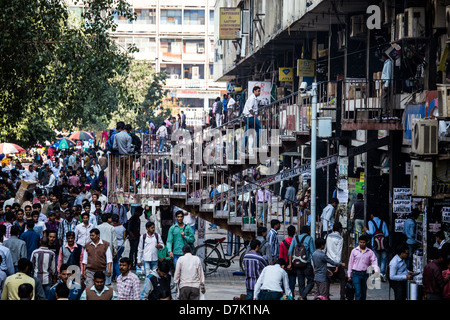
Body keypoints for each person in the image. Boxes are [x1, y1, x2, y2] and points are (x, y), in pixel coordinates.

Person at [347, 234, 379, 300]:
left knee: (363, 292)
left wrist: (376, 271)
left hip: (365, 274)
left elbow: (374, 261)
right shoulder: (354, 251)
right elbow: (350, 263)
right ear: (359, 242)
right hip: (356, 274)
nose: (362, 244)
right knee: (358, 292)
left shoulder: (370, 252)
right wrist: (349, 275)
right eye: (361, 242)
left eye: (363, 242)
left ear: (366, 243)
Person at [287, 225, 315, 300]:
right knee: (311, 281)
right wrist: (315, 265)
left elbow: (289, 252)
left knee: (301, 283)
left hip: (297, 264)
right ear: (309, 231)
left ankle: (303, 297)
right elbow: (313, 253)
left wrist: (290, 264)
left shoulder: (295, 238)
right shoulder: (309, 238)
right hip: (306, 263)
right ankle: (303, 296)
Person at [324, 222, 346, 300]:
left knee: (327, 281)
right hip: (336, 263)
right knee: (343, 279)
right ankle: (342, 297)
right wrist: (337, 264)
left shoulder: (327, 236)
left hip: (328, 262)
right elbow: (338, 252)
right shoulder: (340, 238)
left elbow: (325, 249)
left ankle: (326, 296)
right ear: (340, 229)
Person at [364, 212, 389, 281]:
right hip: (383, 244)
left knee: (376, 259)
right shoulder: (383, 222)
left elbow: (371, 232)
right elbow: (386, 234)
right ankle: (382, 273)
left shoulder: (370, 222)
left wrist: (366, 230)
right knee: (383, 259)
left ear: (372, 214)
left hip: (375, 244)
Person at [96, 213, 118, 283]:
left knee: (100, 263)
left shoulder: (97, 227)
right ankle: (107, 281)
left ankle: (100, 279)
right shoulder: (111, 228)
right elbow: (114, 240)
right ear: (108, 219)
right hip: (109, 248)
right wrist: (115, 250)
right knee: (109, 263)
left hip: (99, 247)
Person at [112, 214, 127, 282]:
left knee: (115, 261)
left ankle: (119, 276)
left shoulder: (112, 227)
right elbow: (124, 237)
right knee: (116, 260)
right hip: (122, 245)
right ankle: (113, 276)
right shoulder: (122, 227)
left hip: (115, 246)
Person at [380, 51, 393, 117]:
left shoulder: (388, 63)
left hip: (386, 82)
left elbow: (388, 74)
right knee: (383, 98)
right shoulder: (386, 63)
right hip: (384, 82)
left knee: (384, 98)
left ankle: (384, 113)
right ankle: (383, 112)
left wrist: (386, 84)